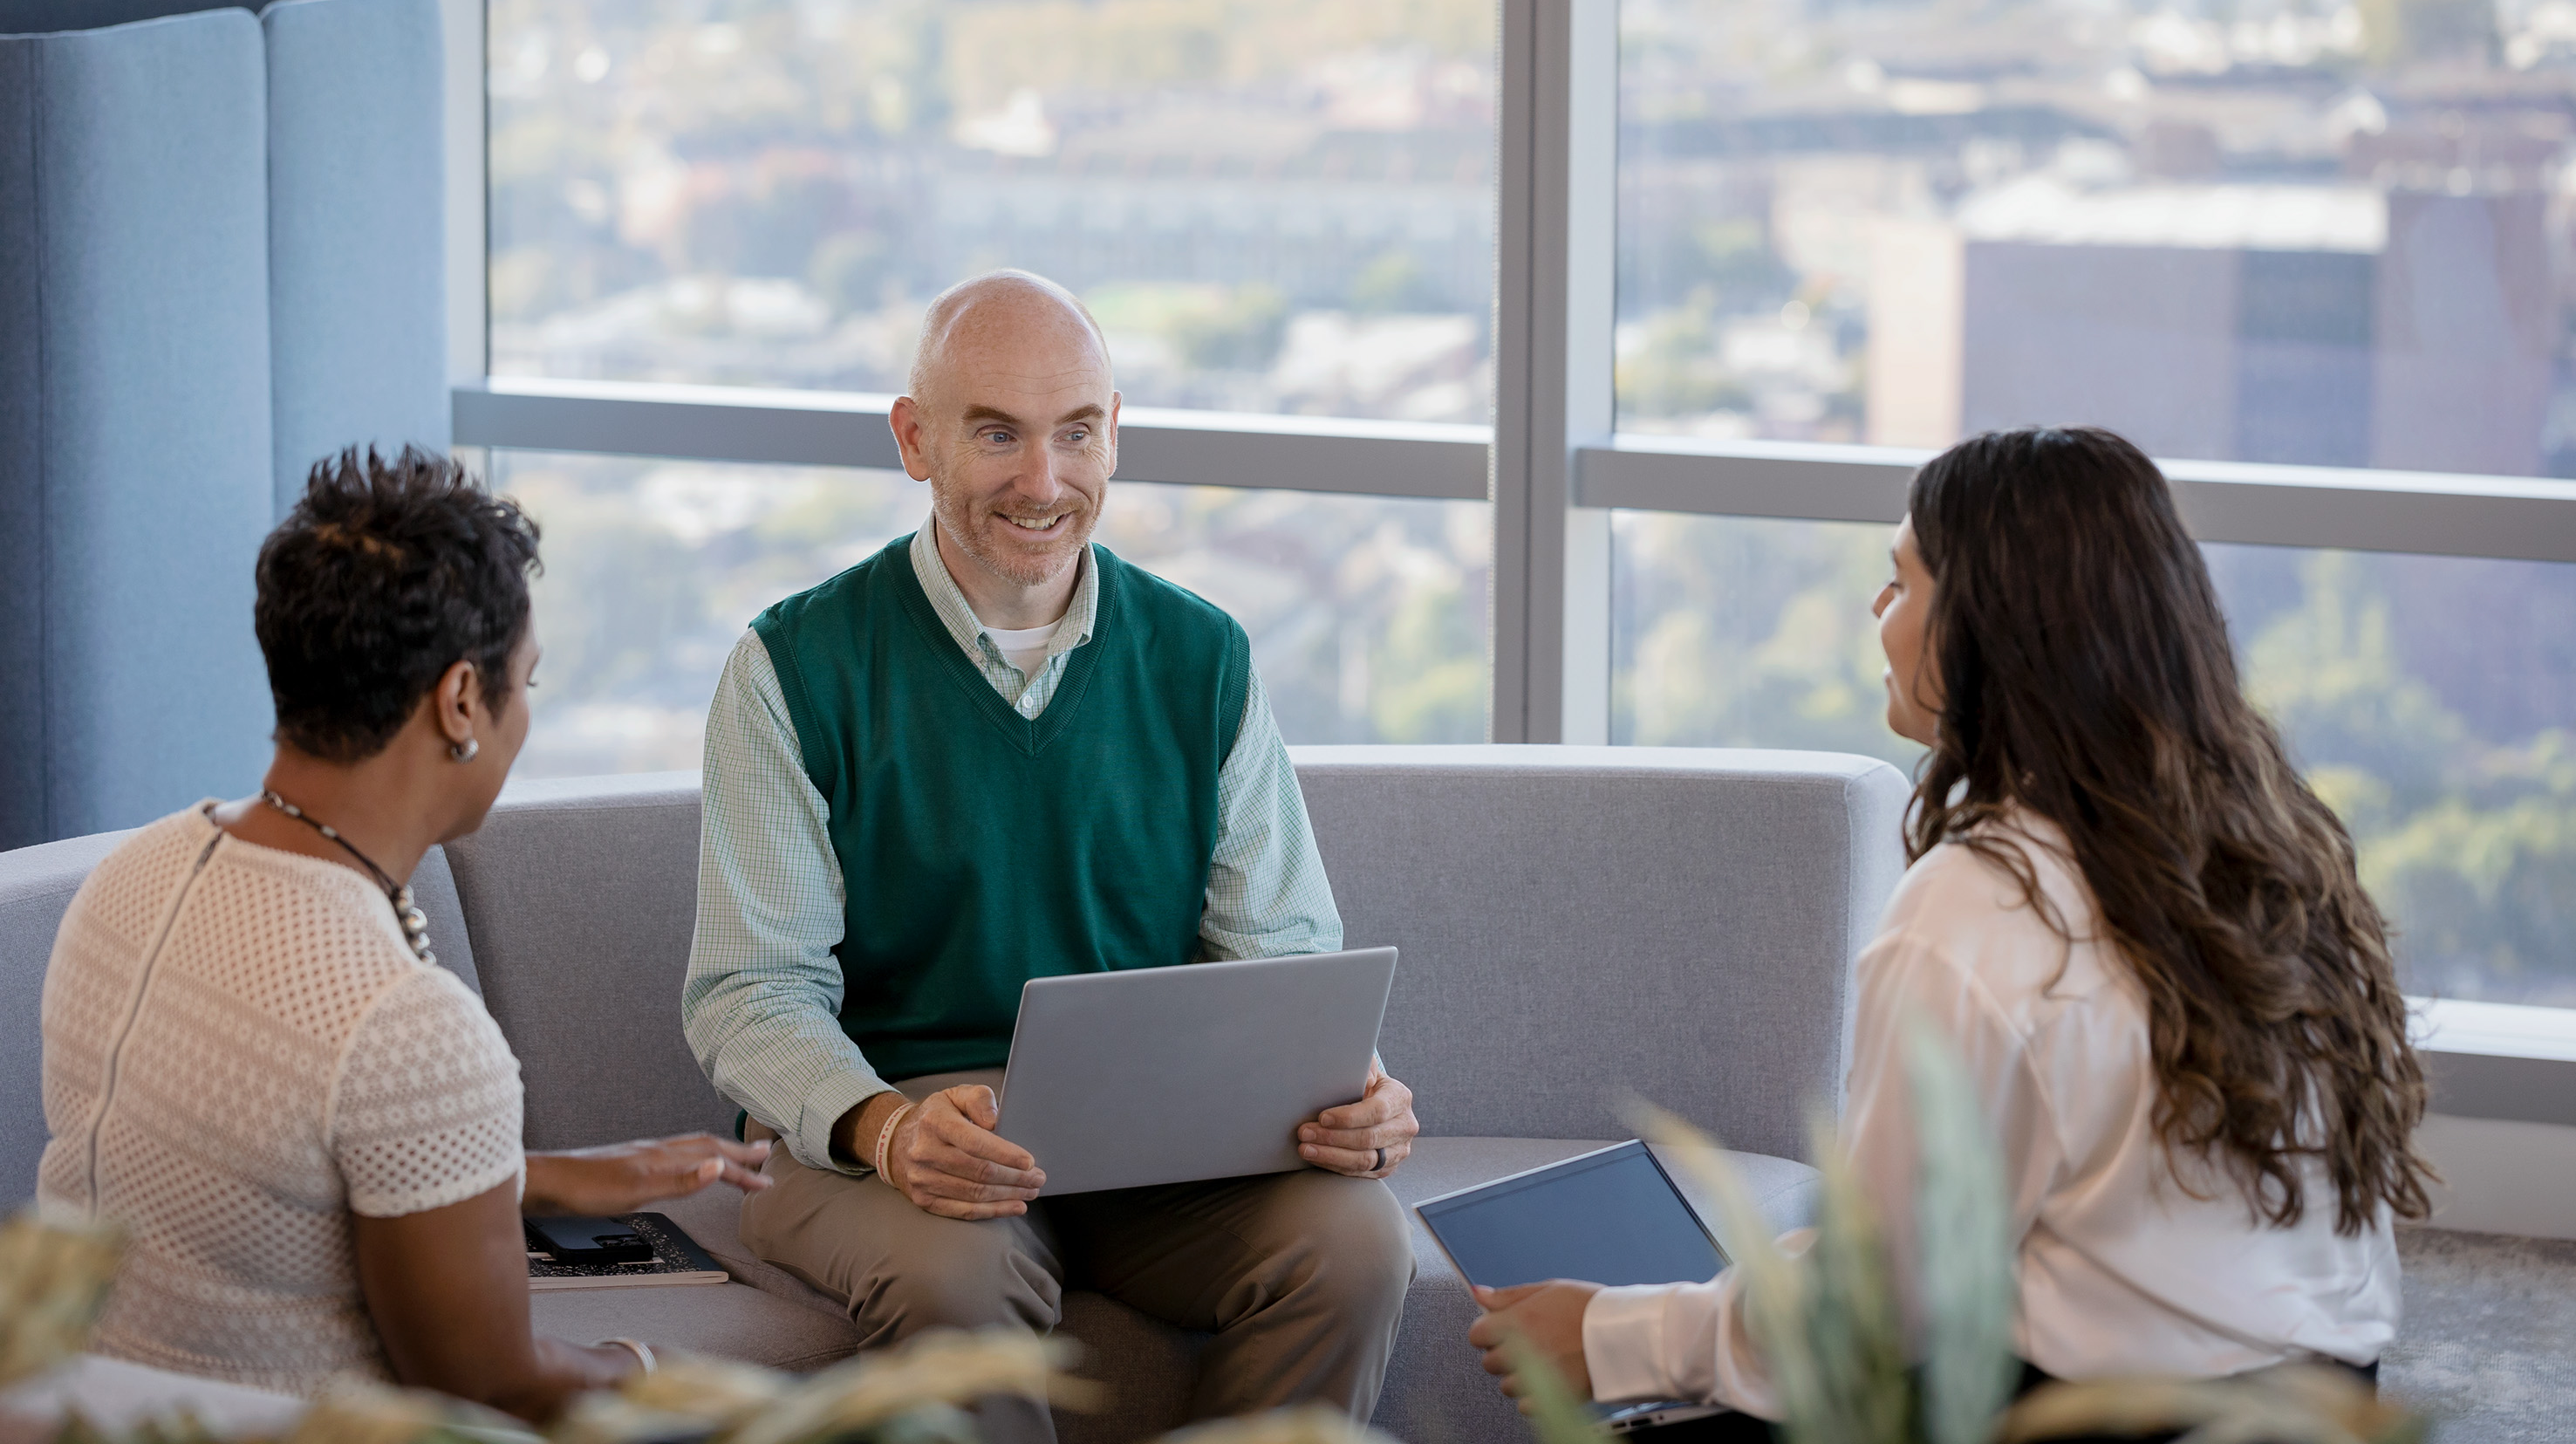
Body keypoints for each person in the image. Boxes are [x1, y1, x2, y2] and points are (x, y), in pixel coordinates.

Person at [1470, 426, 2428, 1428]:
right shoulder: (2264, 848)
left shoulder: (1980, 899)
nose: (1875, 610)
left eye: (1900, 582)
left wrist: (1611, 1335)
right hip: (2321, 1400)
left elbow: (1877, 1311)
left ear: (1988, 627)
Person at [682, 270, 1418, 1443]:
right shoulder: (793, 667)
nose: (1042, 481)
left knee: (1357, 1247)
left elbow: (1279, 955)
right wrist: (882, 1128)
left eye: (1075, 432)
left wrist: (1349, 1094)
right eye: (996, 435)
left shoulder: (1203, 657)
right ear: (913, 440)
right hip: (884, 1131)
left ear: (1113, 432)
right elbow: (750, 990)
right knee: (958, 1280)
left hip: (1149, 1135)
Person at [38, 448, 769, 1419]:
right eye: (527, 684)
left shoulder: (139, 871)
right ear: (461, 700)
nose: (523, 719)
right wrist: (667, 1372)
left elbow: (275, 1169)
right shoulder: (399, 1024)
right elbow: (492, 1385)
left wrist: (543, 1177)